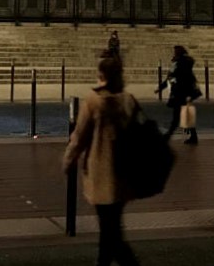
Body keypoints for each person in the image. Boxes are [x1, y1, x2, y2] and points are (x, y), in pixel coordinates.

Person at [63, 55, 140, 266]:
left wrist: (68, 160)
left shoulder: (94, 101)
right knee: (110, 230)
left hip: (101, 174)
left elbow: (79, 137)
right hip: (124, 174)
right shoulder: (128, 100)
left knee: (111, 233)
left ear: (102, 75)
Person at [157, 45, 200, 145]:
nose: (174, 53)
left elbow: (173, 76)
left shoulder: (180, 63)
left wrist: (161, 87)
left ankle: (168, 135)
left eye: (175, 52)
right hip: (184, 93)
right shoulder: (183, 62)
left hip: (181, 93)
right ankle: (193, 136)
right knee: (185, 115)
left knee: (177, 116)